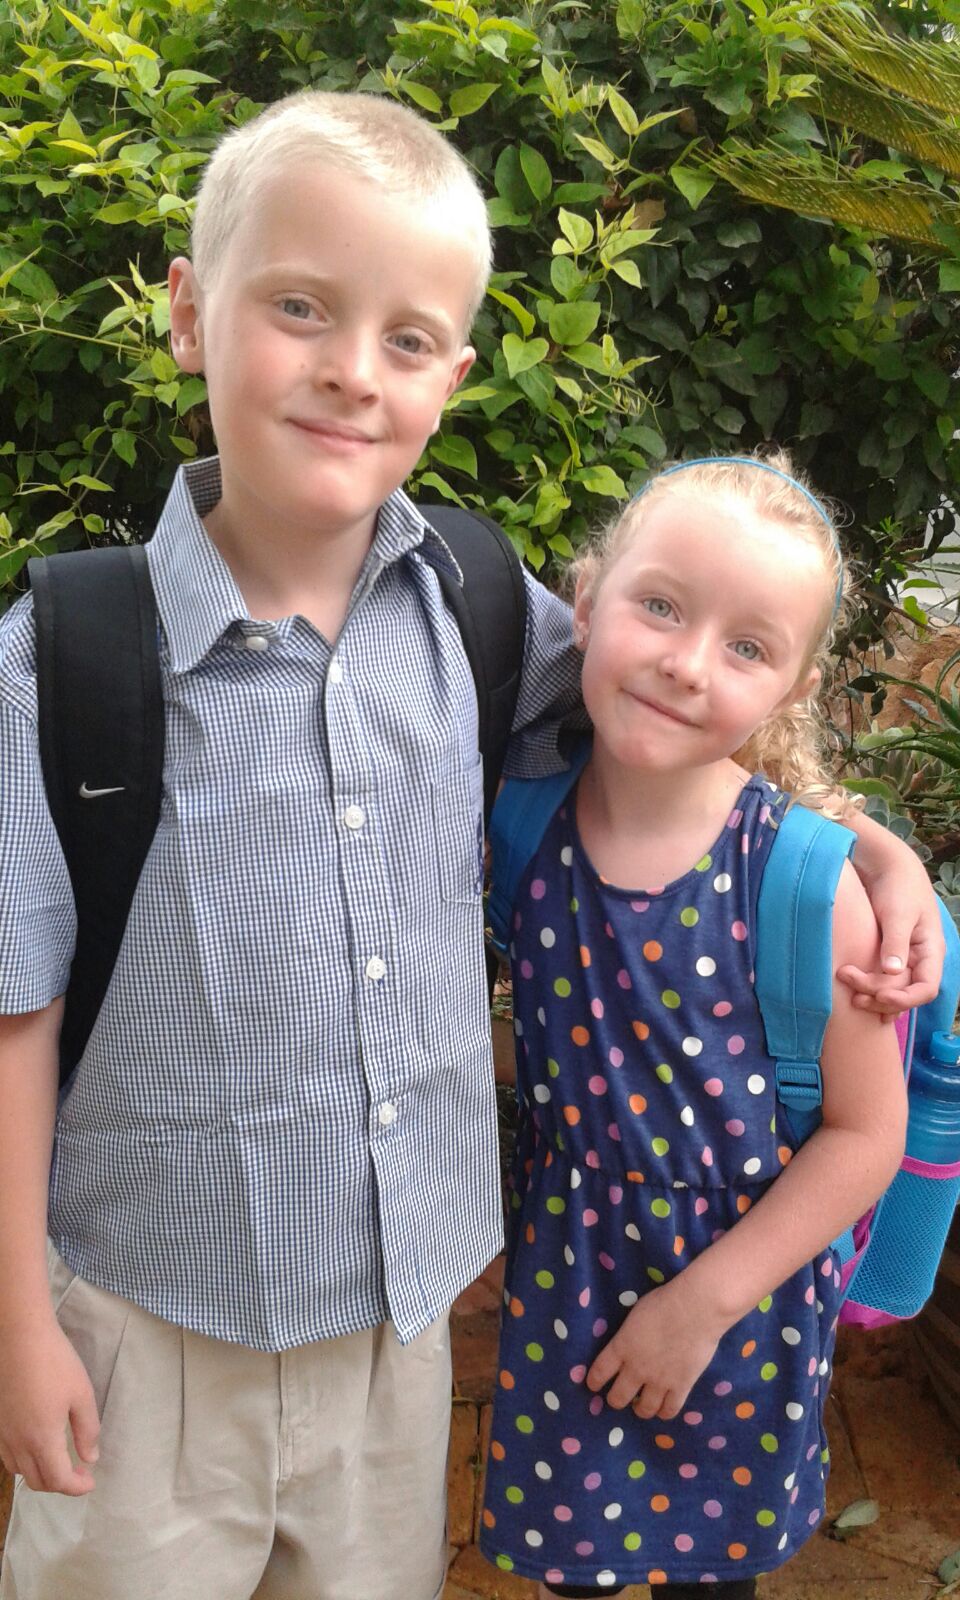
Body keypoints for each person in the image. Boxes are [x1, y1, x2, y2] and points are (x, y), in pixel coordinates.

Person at [0, 88, 939, 1599]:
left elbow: (680, 727)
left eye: (409, 337)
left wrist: (871, 851)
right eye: (299, 307)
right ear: (187, 312)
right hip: (144, 1337)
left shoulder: (478, 610)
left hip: (398, 1335)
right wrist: (17, 1324)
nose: (350, 370)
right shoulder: (62, 665)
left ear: (452, 378)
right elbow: (16, 1017)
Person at [479, 454, 910, 1599]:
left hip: (743, 1298)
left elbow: (866, 1134)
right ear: (586, 602)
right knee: (572, 1564)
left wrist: (701, 1305)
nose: (687, 661)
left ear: (793, 688)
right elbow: (569, 1040)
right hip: (568, 1274)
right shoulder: (521, 825)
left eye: (748, 646)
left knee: (712, 1580)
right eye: (662, 605)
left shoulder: (807, 886)